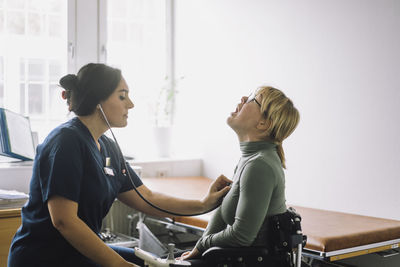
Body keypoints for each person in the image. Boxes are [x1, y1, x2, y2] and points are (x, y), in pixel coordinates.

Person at [8, 63, 231, 267]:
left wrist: (203, 204)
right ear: (98, 101)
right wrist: (120, 265)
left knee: (153, 263)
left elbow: (147, 197)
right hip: (45, 257)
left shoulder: (107, 146)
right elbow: (64, 221)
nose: (131, 105)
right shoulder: (66, 141)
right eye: (122, 96)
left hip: (76, 253)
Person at [180, 86, 300, 261]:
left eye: (252, 99)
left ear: (263, 124)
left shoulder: (260, 165)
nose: (243, 98)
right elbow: (221, 215)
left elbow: (241, 236)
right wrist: (199, 247)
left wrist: (204, 246)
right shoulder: (250, 159)